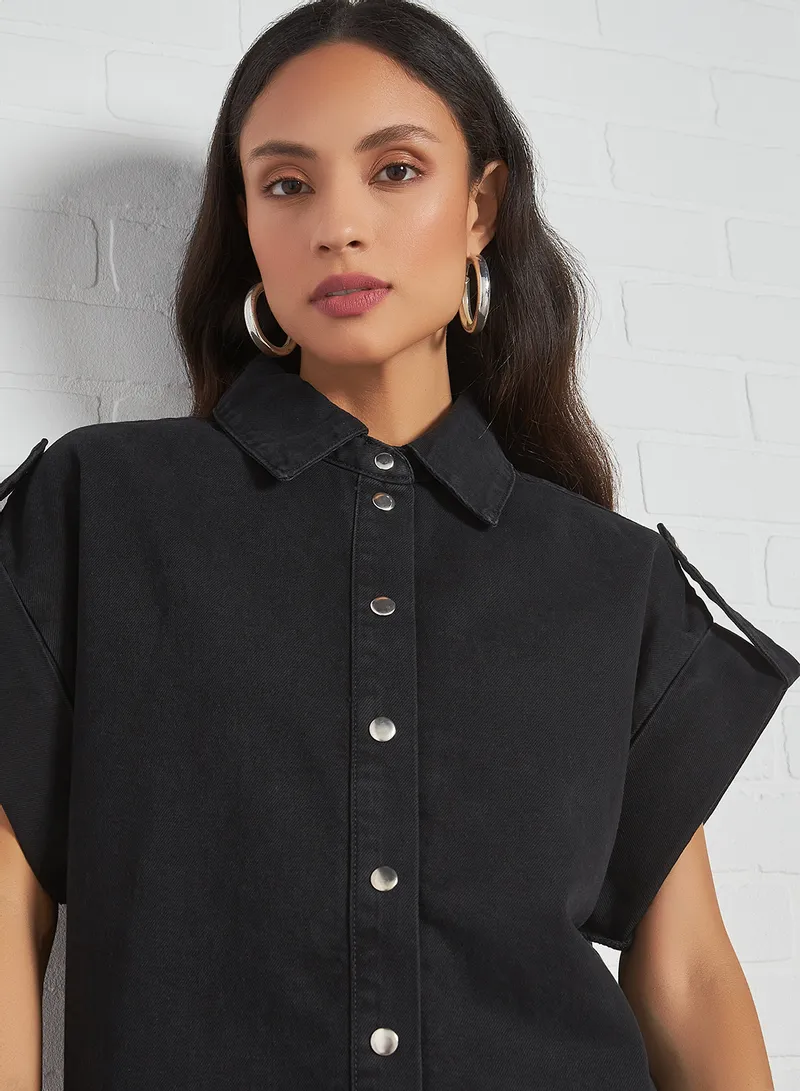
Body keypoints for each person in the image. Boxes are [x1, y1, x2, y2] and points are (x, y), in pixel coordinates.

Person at [1, 0, 797, 1088]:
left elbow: (691, 975)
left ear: (480, 208)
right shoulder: (101, 506)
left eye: (394, 170)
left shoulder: (610, 576)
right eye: (287, 184)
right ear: (247, 225)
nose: (338, 224)